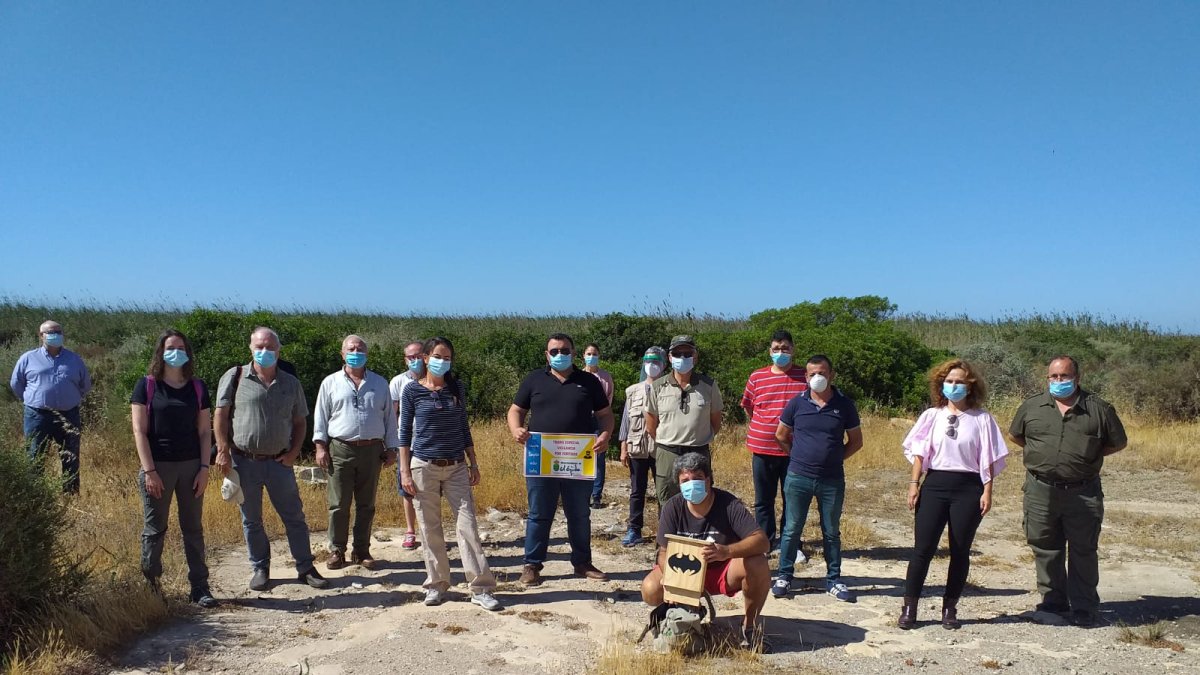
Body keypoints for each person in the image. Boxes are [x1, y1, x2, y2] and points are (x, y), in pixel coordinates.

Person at [1009, 355, 1127, 628]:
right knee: (1045, 547)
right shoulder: (1032, 406)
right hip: (1040, 490)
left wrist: (1085, 459)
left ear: (1077, 378)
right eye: (1054, 377)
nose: (1058, 381)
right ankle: (1053, 601)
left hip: (1082, 492)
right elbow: (1016, 436)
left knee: (1083, 550)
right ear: (1047, 378)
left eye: (1064, 376)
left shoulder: (1100, 410)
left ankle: (1084, 606)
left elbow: (1117, 443)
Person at [213, 327, 329, 591]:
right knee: (251, 519)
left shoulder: (291, 382)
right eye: (259, 347)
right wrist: (222, 451)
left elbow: (300, 422)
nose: (264, 352)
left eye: (270, 347)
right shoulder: (235, 377)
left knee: (294, 517)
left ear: (279, 350)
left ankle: (305, 567)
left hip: (279, 464)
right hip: (244, 461)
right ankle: (261, 569)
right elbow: (220, 415)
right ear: (250, 348)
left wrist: (292, 454)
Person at [898, 359, 1009, 629]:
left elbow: (990, 458)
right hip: (935, 484)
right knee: (922, 549)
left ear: (970, 386)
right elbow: (920, 452)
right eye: (949, 381)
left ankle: (950, 609)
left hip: (968, 488)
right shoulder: (931, 416)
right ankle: (910, 608)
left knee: (960, 550)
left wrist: (987, 491)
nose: (954, 385)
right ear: (941, 384)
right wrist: (914, 484)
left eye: (959, 381)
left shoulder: (982, 419)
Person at [398, 337, 501, 611]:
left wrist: (474, 463)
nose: (442, 361)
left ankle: (481, 587)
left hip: (456, 466)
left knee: (468, 526)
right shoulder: (411, 391)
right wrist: (404, 471)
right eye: (437, 356)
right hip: (423, 467)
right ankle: (436, 584)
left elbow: (464, 427)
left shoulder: (456, 388)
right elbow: (404, 433)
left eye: (447, 357)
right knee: (430, 528)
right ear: (425, 357)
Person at [507, 332, 614, 586]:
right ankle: (532, 565)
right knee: (539, 513)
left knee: (579, 513)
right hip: (541, 457)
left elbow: (605, 414)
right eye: (554, 351)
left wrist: (606, 435)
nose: (559, 355)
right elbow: (515, 410)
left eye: (565, 351)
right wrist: (516, 429)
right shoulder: (534, 379)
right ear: (547, 355)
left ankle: (582, 563)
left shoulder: (588, 381)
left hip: (578, 458)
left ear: (574, 354)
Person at [640, 452, 771, 649]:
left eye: (698, 478)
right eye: (685, 480)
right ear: (678, 483)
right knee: (650, 589)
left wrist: (726, 551)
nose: (691, 484)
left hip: (722, 571)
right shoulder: (672, 507)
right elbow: (663, 552)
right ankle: (679, 615)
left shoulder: (729, 504)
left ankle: (749, 627)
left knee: (757, 562)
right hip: (684, 572)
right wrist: (671, 581)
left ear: (709, 480)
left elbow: (762, 542)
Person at [130, 329, 216, 608]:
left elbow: (205, 431)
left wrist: (205, 468)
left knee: (193, 528)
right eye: (170, 347)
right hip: (158, 467)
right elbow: (139, 431)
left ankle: (200, 587)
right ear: (160, 351)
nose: (176, 352)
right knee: (155, 529)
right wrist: (150, 471)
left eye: (181, 347)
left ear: (188, 352)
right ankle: (152, 587)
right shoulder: (146, 386)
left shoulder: (198, 387)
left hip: (192, 466)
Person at [771, 354, 863, 602]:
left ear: (831, 375)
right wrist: (797, 456)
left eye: (822, 373)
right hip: (798, 477)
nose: (817, 377)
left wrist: (835, 458)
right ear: (806, 377)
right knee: (791, 529)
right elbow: (780, 434)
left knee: (831, 531)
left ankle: (834, 579)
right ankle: (784, 576)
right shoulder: (796, 403)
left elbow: (856, 442)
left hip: (832, 479)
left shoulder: (845, 405)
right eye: (812, 374)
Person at [314, 335, 399, 570]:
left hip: (372, 450)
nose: (355, 352)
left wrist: (392, 448)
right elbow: (320, 416)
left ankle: (361, 550)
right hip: (340, 448)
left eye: (360, 349)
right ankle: (336, 551)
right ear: (342, 354)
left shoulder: (380, 383)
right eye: (350, 349)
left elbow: (389, 419)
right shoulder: (330, 382)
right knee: (339, 503)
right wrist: (320, 446)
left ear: (367, 353)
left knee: (366, 504)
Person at [741, 329, 808, 555]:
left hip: (794, 451)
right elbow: (749, 407)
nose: (781, 353)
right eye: (776, 349)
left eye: (785, 348)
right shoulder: (757, 377)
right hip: (762, 449)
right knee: (763, 501)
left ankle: (791, 545)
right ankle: (764, 543)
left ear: (793, 350)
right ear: (770, 351)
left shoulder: (804, 377)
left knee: (793, 500)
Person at [9, 320, 93, 494]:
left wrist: (69, 399)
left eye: (58, 331)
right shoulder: (28, 358)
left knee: (71, 457)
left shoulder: (74, 359)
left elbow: (85, 384)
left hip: (68, 415)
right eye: (50, 332)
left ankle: (70, 497)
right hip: (37, 416)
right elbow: (16, 384)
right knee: (35, 457)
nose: (55, 335)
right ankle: (35, 498)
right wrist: (33, 399)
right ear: (41, 336)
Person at [645, 335, 723, 504]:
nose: (682, 357)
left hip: (698, 451)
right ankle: (668, 531)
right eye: (677, 353)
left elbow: (716, 421)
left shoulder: (709, 385)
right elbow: (651, 424)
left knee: (700, 499)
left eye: (687, 353)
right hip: (668, 452)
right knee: (667, 502)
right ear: (670, 357)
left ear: (695, 356)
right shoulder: (658, 386)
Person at [617, 346, 666, 547]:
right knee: (637, 491)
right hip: (637, 448)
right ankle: (634, 529)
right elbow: (625, 422)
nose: (651, 365)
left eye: (656, 361)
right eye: (648, 360)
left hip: (661, 448)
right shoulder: (632, 391)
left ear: (664, 364)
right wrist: (623, 448)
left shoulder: (668, 388)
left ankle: (665, 531)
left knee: (664, 491)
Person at [388, 341, 426, 550]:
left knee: (430, 491)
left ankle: (429, 531)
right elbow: (392, 415)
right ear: (405, 360)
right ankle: (410, 531)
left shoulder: (435, 380)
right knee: (407, 488)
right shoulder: (397, 382)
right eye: (410, 357)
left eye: (418, 355)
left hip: (430, 444)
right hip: (407, 444)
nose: (415, 360)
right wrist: (392, 443)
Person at [582, 343, 615, 509]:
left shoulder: (605, 376)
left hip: (599, 419)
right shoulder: (578, 375)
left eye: (594, 353)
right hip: (581, 419)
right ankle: (582, 494)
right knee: (582, 456)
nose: (591, 356)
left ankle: (596, 495)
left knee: (599, 456)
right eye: (588, 353)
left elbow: (609, 398)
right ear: (583, 355)